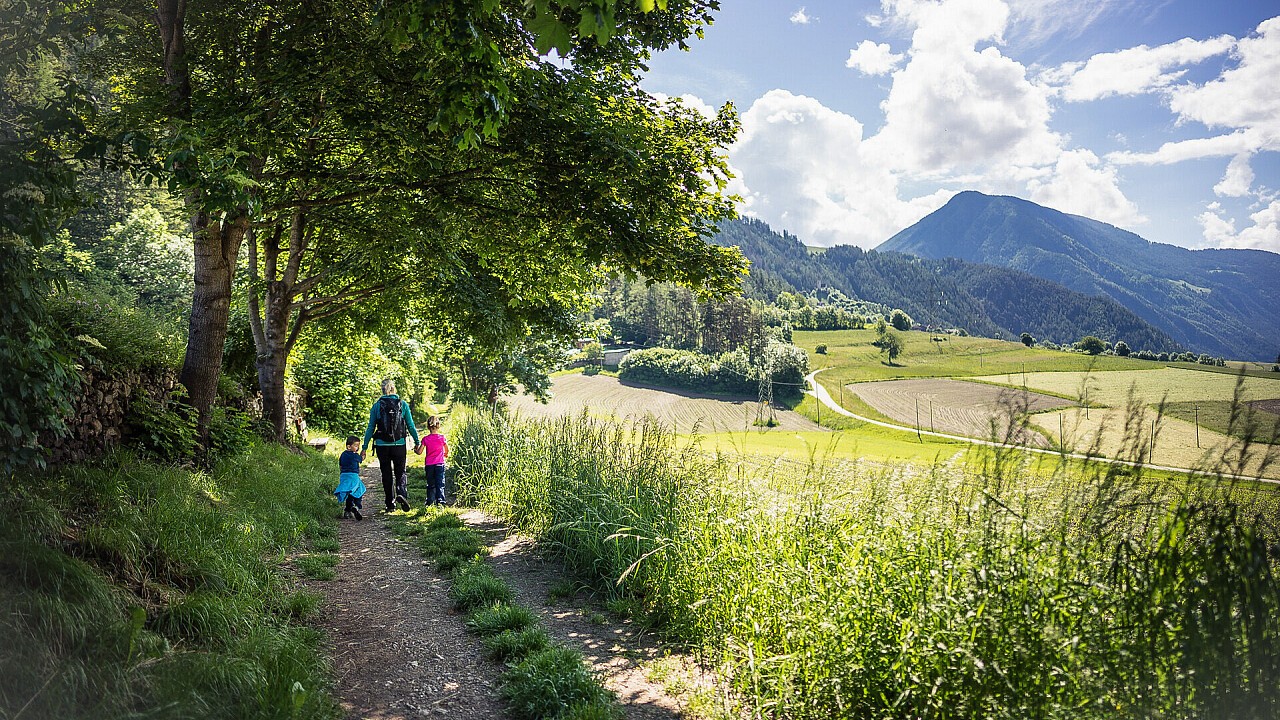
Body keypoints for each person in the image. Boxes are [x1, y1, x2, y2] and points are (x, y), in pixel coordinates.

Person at [361, 379, 420, 512]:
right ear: (394, 389)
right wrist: (417, 442)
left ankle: (390, 504)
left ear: (382, 390)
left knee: (386, 473)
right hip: (399, 444)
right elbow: (410, 425)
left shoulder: (377, 406)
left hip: (382, 445)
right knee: (400, 472)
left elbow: (370, 428)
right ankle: (401, 494)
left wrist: (364, 447)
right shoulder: (402, 404)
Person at [415, 415, 449, 506]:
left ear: (428, 426)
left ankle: (430, 501)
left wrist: (415, 449)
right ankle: (440, 501)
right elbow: (446, 449)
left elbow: (419, 452)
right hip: (440, 464)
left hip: (429, 465)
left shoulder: (425, 439)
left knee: (430, 484)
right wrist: (445, 454)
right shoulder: (442, 438)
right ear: (438, 426)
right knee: (440, 483)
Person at [335, 435, 365, 521]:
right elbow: (361, 459)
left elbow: (340, 465)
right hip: (353, 476)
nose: (357, 448)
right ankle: (356, 506)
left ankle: (347, 511)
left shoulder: (343, 455)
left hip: (344, 475)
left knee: (349, 492)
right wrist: (363, 453)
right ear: (349, 446)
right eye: (356, 446)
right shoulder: (354, 456)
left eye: (358, 446)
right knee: (359, 490)